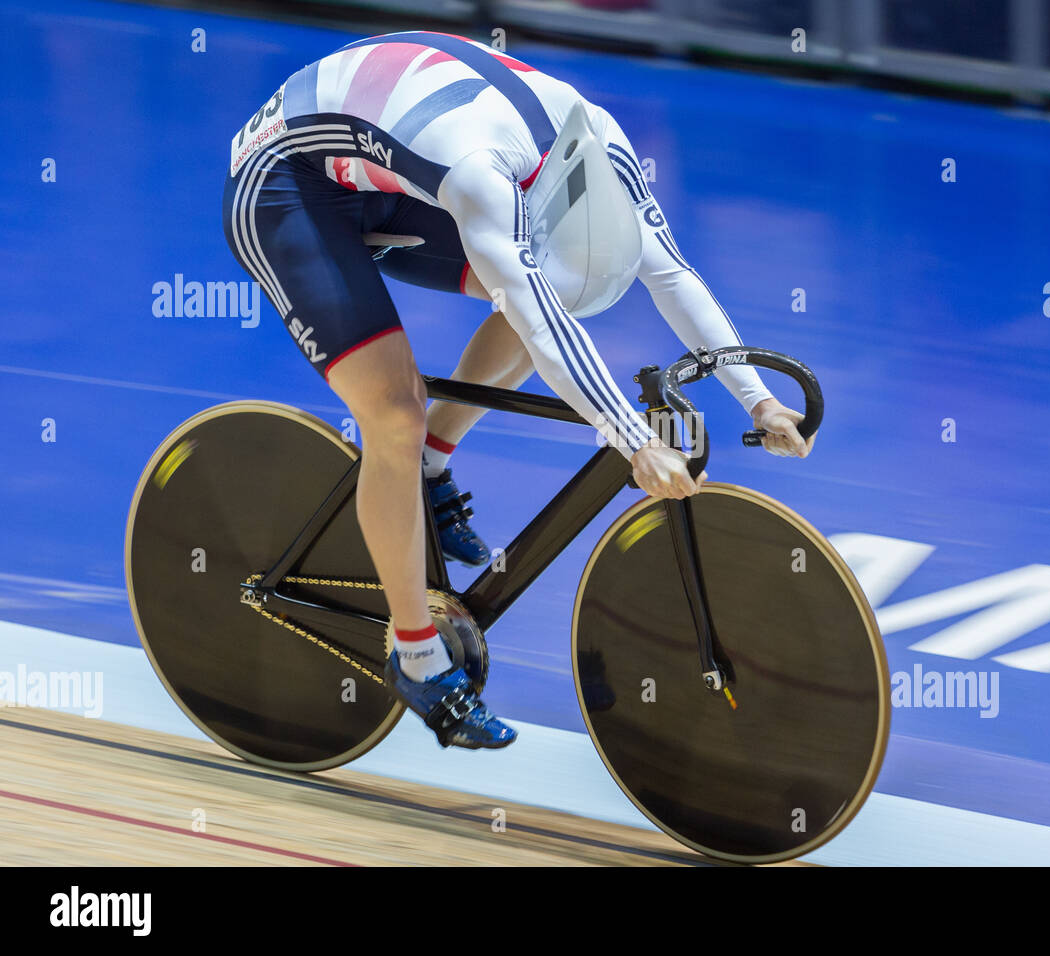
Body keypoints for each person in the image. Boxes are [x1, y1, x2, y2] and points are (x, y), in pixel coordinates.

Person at [222, 31, 815, 752]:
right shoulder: (479, 178)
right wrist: (631, 439)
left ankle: (433, 469)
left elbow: (672, 274)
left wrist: (758, 399)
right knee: (394, 417)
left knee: (525, 314)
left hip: (393, 162)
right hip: (286, 182)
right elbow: (538, 317)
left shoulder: (602, 142)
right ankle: (415, 658)